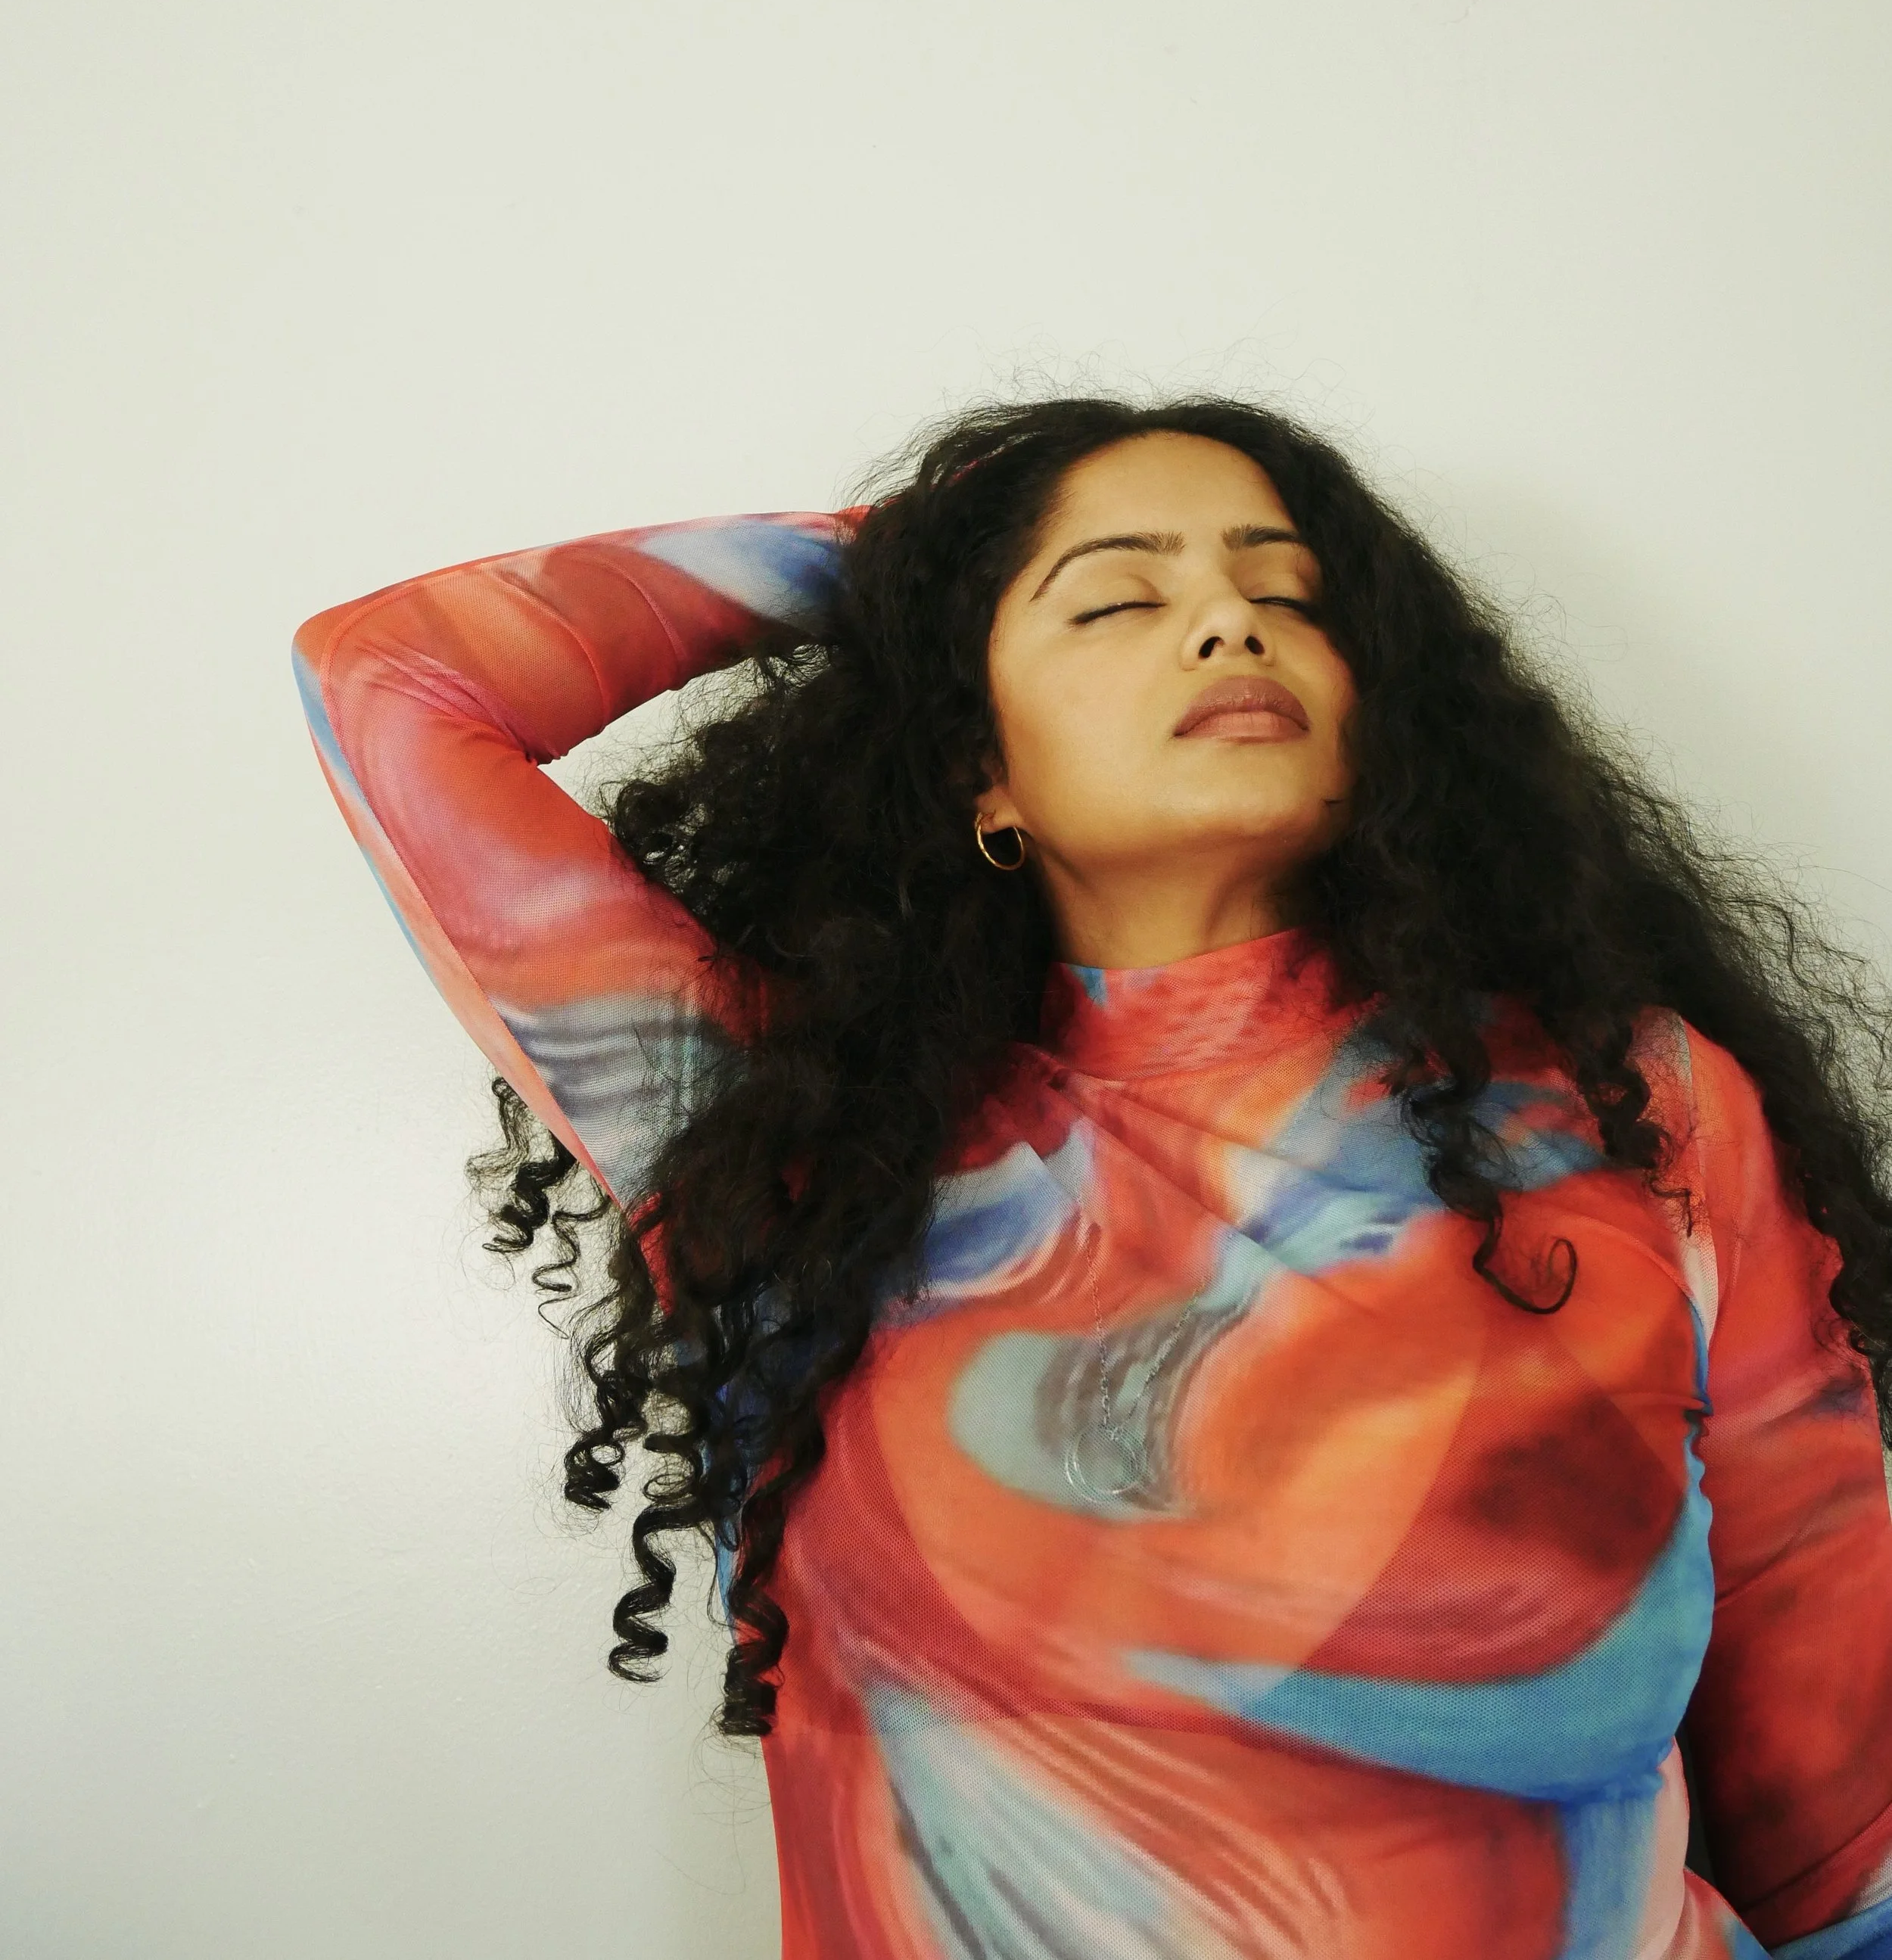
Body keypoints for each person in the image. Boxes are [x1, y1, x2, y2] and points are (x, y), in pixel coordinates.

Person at [292, 393, 1892, 1960]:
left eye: (1289, 592)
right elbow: (388, 681)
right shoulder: (804, 1147)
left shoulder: (1633, 1104)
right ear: (976, 770)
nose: (1223, 624)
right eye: (1117, 597)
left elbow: (1827, 1742)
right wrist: (918, 561)